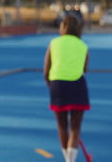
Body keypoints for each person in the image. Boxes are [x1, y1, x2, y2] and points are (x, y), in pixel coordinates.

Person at [43, 15, 89, 162]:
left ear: (63, 27)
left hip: (58, 86)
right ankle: (71, 160)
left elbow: (46, 71)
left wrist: (52, 86)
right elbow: (84, 69)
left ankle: (67, 159)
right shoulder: (83, 46)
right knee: (75, 128)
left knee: (62, 126)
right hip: (77, 86)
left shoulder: (53, 43)